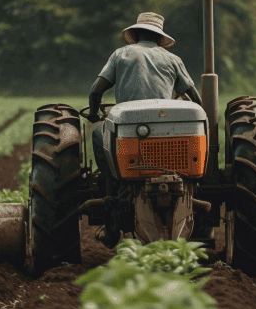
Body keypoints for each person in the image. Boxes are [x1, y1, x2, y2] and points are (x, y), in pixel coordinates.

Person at [86, 12, 202, 247]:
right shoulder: (172, 59)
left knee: (99, 134)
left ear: (135, 34)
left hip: (130, 129)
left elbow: (96, 90)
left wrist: (92, 113)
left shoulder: (121, 54)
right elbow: (195, 97)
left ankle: (113, 191)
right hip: (171, 136)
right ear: (160, 38)